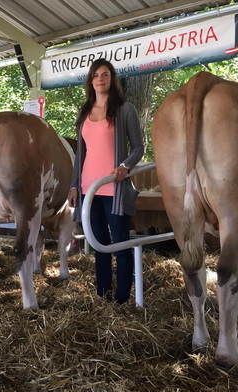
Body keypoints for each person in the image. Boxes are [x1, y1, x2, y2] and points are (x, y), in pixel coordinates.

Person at [68, 59, 145, 304]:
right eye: (95, 75)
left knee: (120, 246)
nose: (100, 79)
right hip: (89, 189)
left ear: (112, 79)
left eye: (105, 74)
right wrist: (73, 185)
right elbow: (81, 153)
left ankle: (122, 300)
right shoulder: (84, 112)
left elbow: (138, 147)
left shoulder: (125, 110)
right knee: (99, 245)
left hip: (115, 188)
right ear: (90, 81)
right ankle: (103, 296)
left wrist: (125, 166)